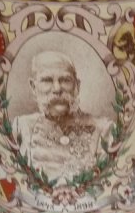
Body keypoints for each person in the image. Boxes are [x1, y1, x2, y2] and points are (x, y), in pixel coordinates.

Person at [13, 51, 113, 186]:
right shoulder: (21, 127)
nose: (57, 89)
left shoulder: (103, 130)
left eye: (65, 80)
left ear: (77, 86)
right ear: (33, 87)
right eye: (47, 80)